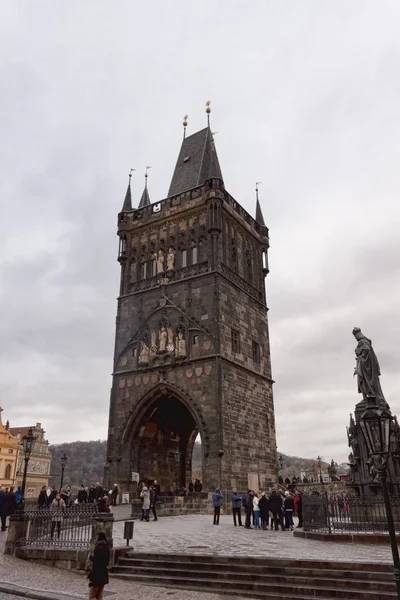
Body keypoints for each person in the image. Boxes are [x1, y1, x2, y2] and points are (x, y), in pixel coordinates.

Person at [88, 532, 110, 600]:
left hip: (97, 575)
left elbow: (96, 562)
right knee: (99, 596)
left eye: (97, 537)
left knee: (92, 596)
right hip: (103, 574)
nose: (95, 539)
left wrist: (91, 558)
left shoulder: (98, 549)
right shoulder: (106, 549)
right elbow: (106, 562)